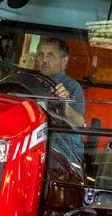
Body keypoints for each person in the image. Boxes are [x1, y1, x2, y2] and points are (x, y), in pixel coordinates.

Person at [35, 37, 85, 171]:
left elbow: (79, 123)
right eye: (41, 54)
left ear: (64, 60)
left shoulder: (72, 87)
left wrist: (64, 102)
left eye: (50, 55)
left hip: (66, 154)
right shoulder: (33, 85)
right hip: (38, 144)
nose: (44, 60)